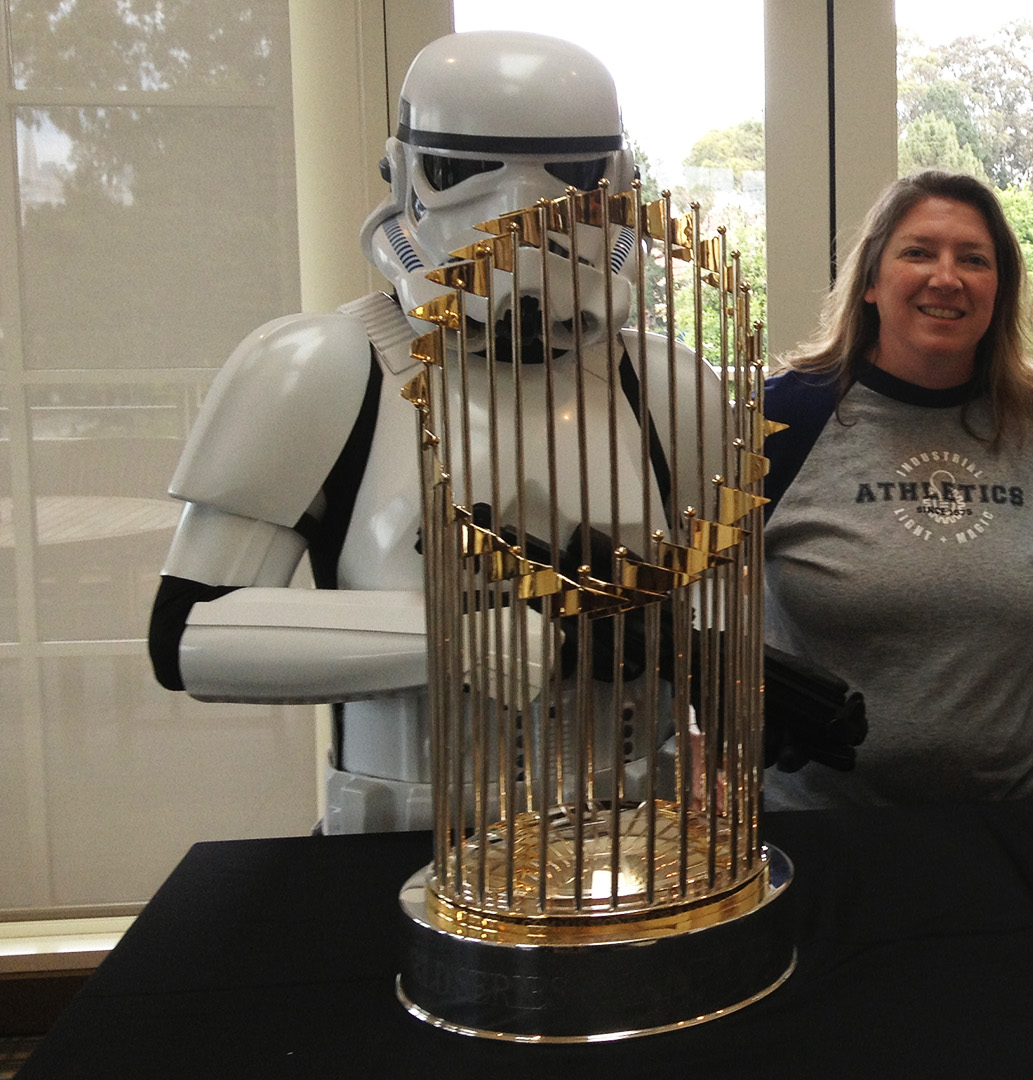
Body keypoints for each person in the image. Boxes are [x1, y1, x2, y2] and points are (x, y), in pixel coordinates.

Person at [144, 31, 719, 832]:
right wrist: (458, 636)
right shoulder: (320, 368)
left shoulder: (667, 385)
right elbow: (189, 633)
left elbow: (712, 613)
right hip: (405, 832)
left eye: (575, 179)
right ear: (405, 175)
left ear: (617, 184)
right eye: (460, 174)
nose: (520, 220)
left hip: (631, 830)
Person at [759, 171, 1033, 809]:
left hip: (1017, 815)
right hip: (815, 821)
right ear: (869, 281)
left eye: (974, 259)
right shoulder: (784, 417)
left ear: (1000, 289)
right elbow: (700, 598)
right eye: (918, 252)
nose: (947, 277)